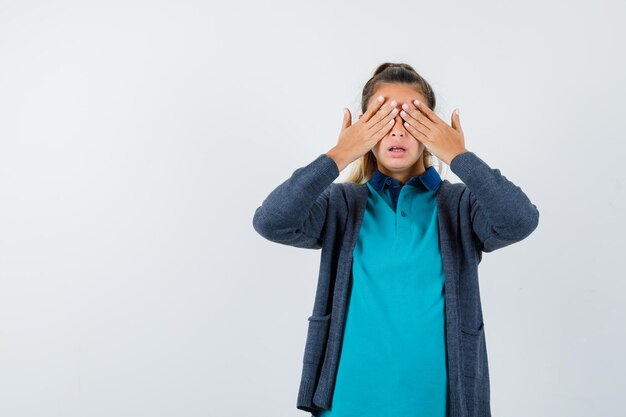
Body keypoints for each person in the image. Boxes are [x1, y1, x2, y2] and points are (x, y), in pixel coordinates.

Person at [252, 62, 540, 417]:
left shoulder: (459, 206)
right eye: (383, 119)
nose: (397, 132)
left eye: (412, 120)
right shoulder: (342, 204)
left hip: (439, 403)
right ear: (364, 129)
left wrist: (458, 156)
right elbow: (271, 222)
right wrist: (340, 154)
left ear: (432, 130)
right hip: (348, 402)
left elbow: (520, 220)